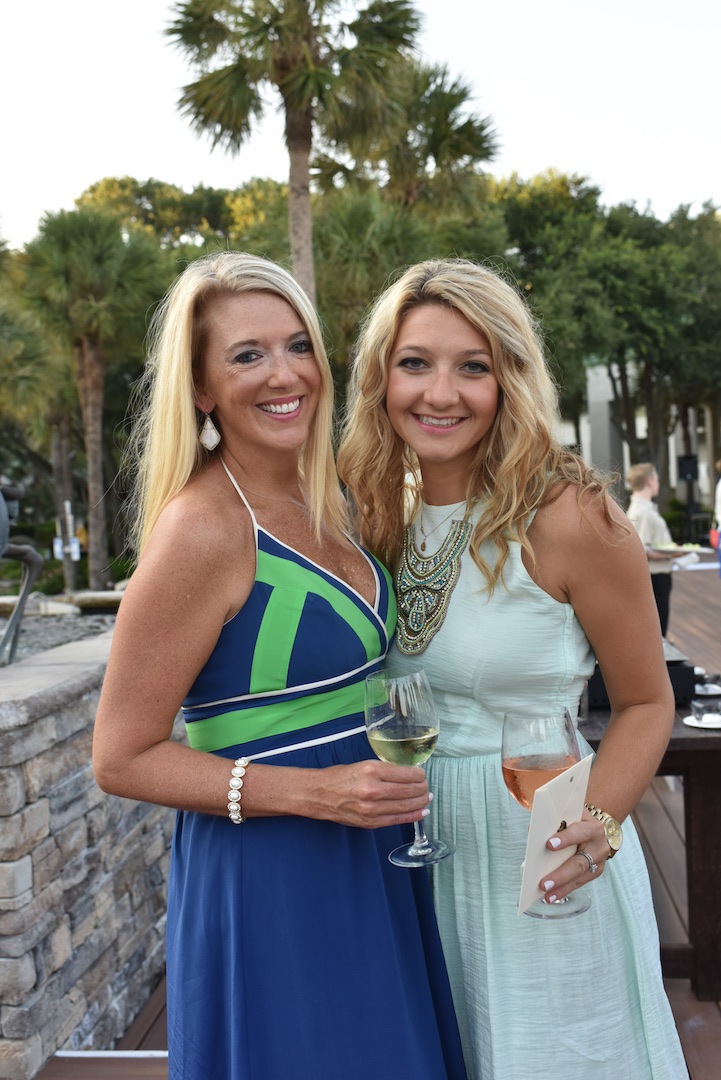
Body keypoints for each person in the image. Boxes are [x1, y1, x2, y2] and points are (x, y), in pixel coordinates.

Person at [92, 252, 466, 1080]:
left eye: (297, 345)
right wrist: (314, 794)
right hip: (273, 871)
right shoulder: (201, 528)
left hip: (371, 851)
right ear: (199, 389)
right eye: (246, 355)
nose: (282, 374)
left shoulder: (336, 496)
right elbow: (119, 756)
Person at [337, 258, 687, 1079]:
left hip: (537, 846)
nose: (440, 392)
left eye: (473, 367)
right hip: (408, 854)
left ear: (510, 381)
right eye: (414, 363)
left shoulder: (572, 515)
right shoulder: (371, 509)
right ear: (380, 378)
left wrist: (596, 826)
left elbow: (644, 701)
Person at [625, 462, 675, 636]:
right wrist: (673, 553)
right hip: (655, 578)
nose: (658, 483)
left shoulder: (643, 509)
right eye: (657, 479)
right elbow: (641, 551)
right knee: (658, 632)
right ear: (650, 482)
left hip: (657, 577)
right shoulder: (642, 512)